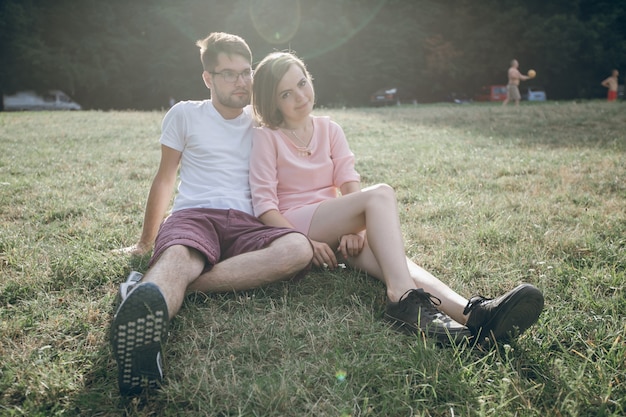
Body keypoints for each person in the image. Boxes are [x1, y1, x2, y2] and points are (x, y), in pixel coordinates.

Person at [250, 51, 544, 349]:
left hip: (335, 229)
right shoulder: (267, 137)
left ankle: (474, 315)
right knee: (380, 195)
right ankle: (401, 300)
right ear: (272, 101)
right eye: (287, 93)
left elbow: (348, 184)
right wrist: (303, 242)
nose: (300, 96)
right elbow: (264, 206)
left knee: (395, 264)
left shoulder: (329, 129)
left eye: (302, 83)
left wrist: (354, 232)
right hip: (295, 225)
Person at [110, 33, 313, 396]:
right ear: (208, 79)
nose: (242, 82)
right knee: (178, 257)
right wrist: (145, 241)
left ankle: (149, 290)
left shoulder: (264, 117)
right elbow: (165, 177)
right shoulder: (185, 113)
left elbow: (306, 157)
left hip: (249, 222)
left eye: (246, 72)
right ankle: (146, 336)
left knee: (298, 250)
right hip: (195, 215)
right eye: (229, 74)